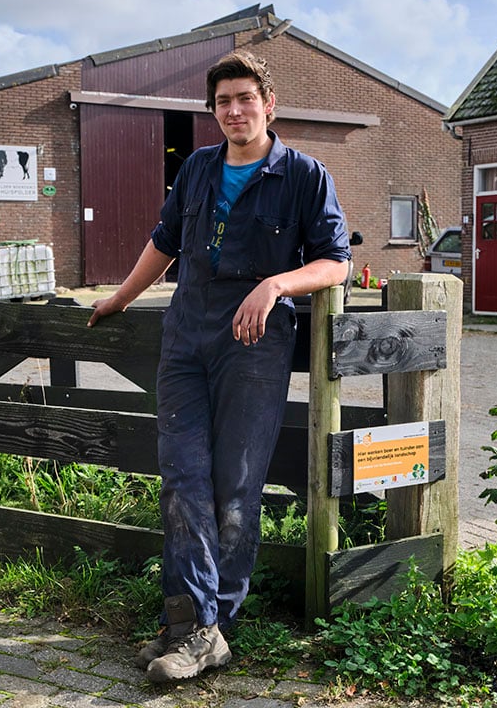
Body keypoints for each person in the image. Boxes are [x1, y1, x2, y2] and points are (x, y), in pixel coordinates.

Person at [86, 50, 351, 683]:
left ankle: (210, 628)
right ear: (213, 112)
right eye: (223, 102)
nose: (234, 111)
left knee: (235, 486)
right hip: (187, 334)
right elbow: (164, 242)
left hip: (254, 342)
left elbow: (336, 261)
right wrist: (121, 297)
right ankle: (188, 625)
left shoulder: (305, 176)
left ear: (269, 103)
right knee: (182, 476)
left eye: (245, 98)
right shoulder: (198, 170)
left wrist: (276, 286)